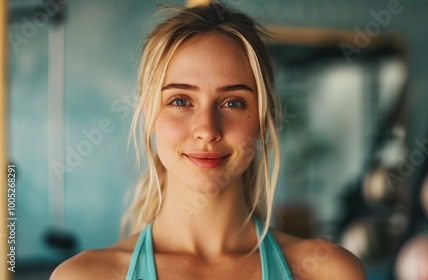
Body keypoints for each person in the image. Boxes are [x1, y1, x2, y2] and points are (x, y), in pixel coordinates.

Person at [50, 2, 365, 279]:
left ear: (262, 121)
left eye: (233, 102)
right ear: (149, 115)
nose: (207, 129)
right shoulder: (84, 276)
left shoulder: (327, 271)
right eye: (180, 100)